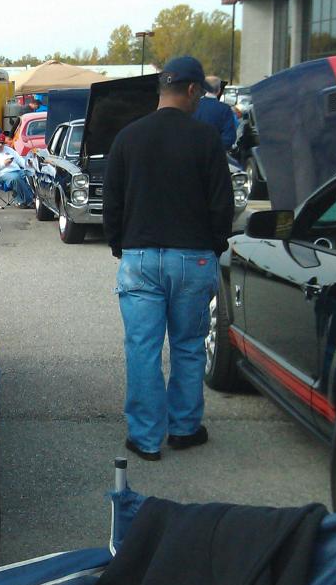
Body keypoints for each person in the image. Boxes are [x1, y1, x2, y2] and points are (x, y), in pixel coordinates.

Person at [102, 56, 234, 462]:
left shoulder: (128, 137)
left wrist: (119, 244)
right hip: (193, 258)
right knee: (189, 345)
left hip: (141, 257)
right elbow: (221, 205)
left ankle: (145, 438)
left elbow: (113, 202)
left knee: (142, 347)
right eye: (201, 94)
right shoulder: (206, 138)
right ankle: (184, 428)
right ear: (193, 90)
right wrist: (213, 246)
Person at [192, 75, 238, 150]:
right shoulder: (225, 109)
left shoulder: (193, 105)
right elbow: (229, 137)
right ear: (219, 90)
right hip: (215, 155)